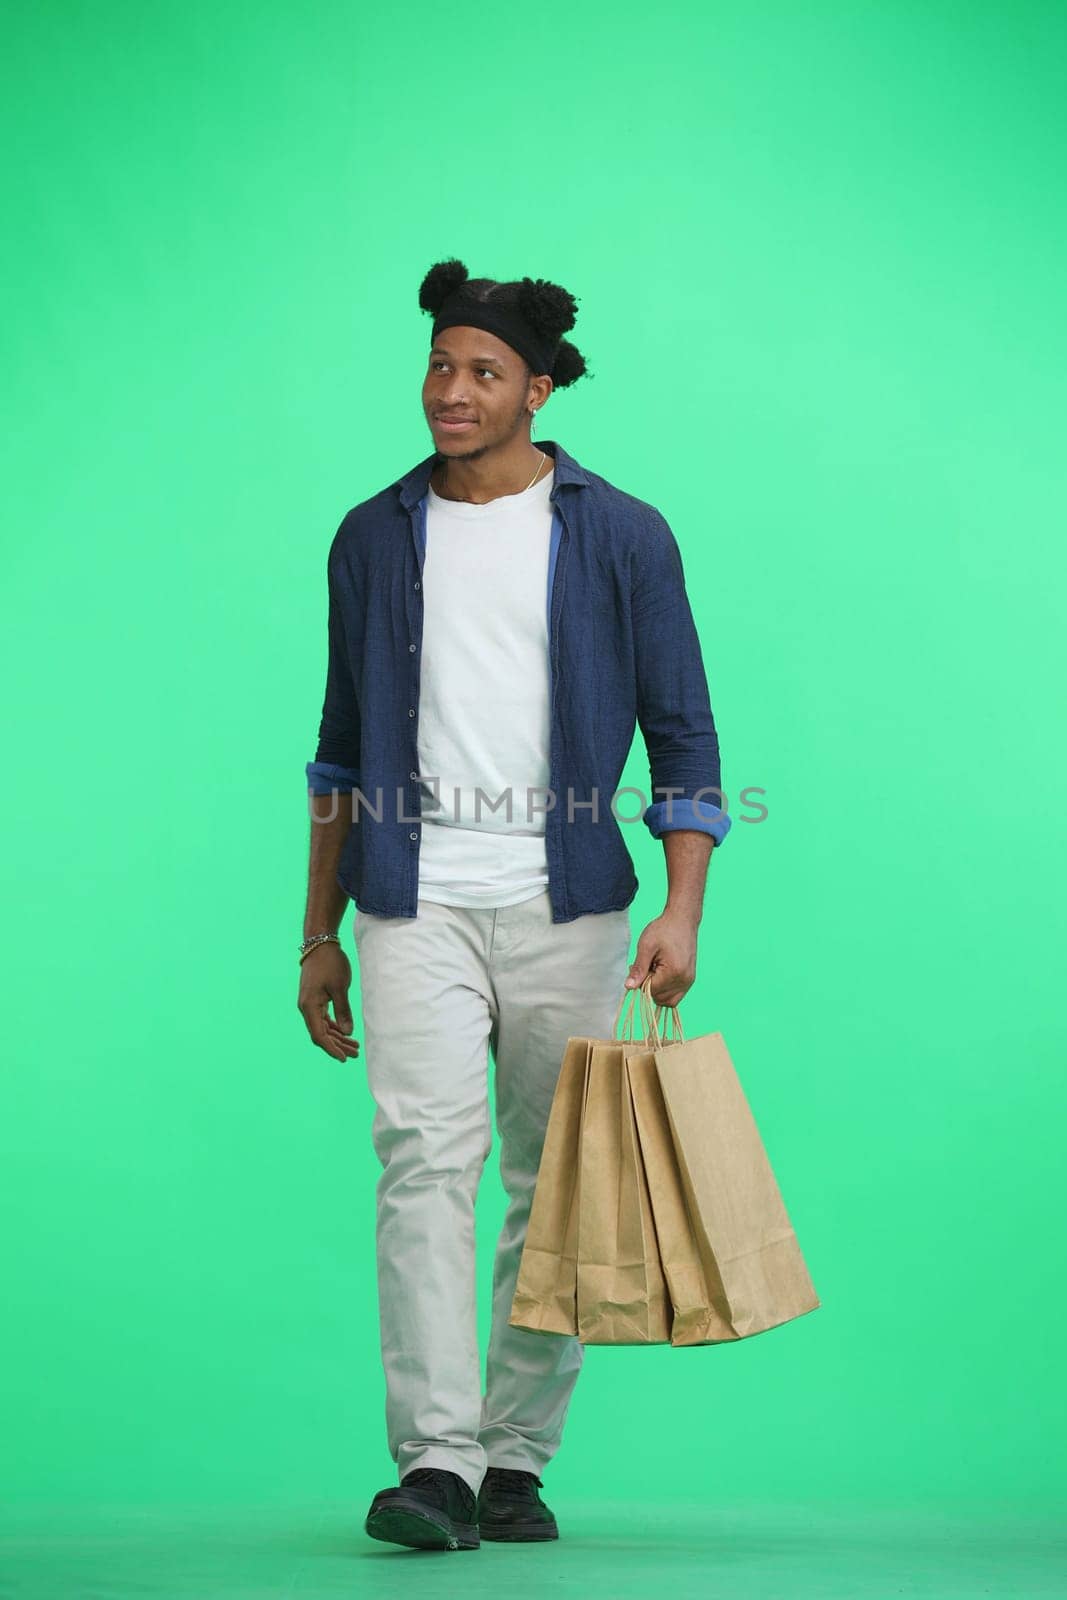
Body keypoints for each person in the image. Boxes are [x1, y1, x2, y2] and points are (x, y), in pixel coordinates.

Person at [297, 258, 732, 1552]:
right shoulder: (374, 535)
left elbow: (687, 737)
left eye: (483, 372)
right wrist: (316, 934)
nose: (451, 391)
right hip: (408, 899)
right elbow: (335, 749)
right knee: (424, 1169)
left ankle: (514, 1456)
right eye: (439, 366)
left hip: (574, 908)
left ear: (537, 390)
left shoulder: (621, 533)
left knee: (554, 1183)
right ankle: (433, 1464)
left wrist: (682, 908)